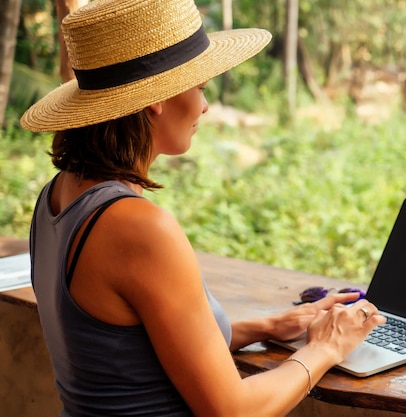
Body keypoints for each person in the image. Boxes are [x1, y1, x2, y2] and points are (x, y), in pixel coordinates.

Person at [20, 0, 386, 416]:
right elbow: (233, 410)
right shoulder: (134, 226)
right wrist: (327, 346)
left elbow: (132, 351)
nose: (205, 105)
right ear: (156, 98)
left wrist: (269, 326)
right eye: (201, 87)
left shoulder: (57, 196)